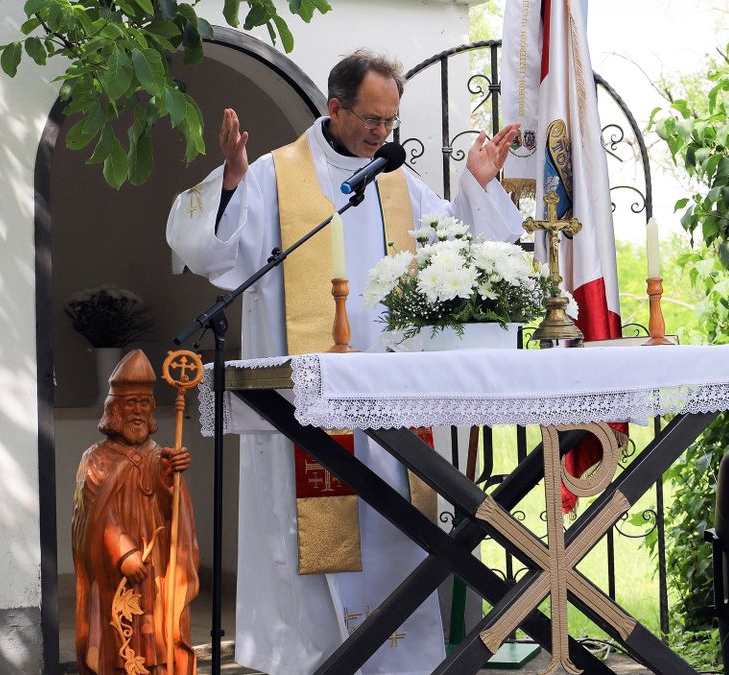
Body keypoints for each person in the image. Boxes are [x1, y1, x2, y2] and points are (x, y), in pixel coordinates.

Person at [166, 50, 521, 674]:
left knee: (394, 534)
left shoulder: (397, 180)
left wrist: (479, 185)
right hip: (311, 411)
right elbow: (207, 250)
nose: (382, 134)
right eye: (371, 120)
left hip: (390, 407)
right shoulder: (275, 175)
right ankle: (320, 664)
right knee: (313, 544)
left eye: (390, 122)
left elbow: (460, 252)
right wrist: (229, 181)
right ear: (335, 107)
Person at [72, 349, 199, 675]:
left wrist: (172, 477)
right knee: (119, 633)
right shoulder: (96, 458)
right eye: (131, 404)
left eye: (144, 404)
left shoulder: (160, 455)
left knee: (156, 626)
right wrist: (124, 552)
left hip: (154, 563)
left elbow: (173, 510)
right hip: (117, 567)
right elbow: (97, 514)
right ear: (114, 408)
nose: (138, 412)